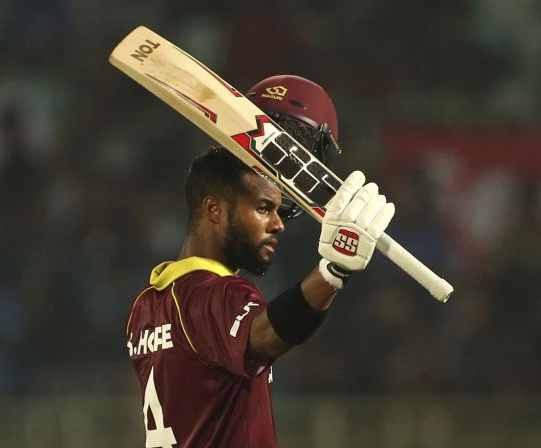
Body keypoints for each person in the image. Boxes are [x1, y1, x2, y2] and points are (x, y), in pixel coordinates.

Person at [126, 75, 395, 447]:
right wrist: (332, 272)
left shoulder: (146, 306)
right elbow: (266, 336)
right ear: (214, 210)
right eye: (264, 208)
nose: (278, 224)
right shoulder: (214, 294)